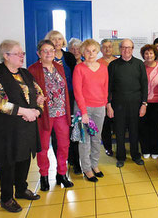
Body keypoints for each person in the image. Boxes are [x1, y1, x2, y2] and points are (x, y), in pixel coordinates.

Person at [0, 40, 42, 212]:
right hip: (6, 129)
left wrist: (38, 110)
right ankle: (6, 198)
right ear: (6, 56)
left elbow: (39, 93)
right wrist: (25, 111)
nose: (22, 57)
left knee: (24, 158)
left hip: (26, 127)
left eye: (23, 53)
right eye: (18, 54)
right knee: (8, 161)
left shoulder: (25, 73)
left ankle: (21, 189)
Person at [28, 40, 74, 191]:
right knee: (42, 147)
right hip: (44, 115)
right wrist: (36, 99)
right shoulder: (33, 70)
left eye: (51, 50)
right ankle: (44, 176)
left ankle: (61, 174)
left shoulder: (59, 67)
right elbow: (27, 92)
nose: (49, 53)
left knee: (64, 145)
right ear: (39, 53)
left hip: (61, 113)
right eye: (45, 50)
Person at [107, 39, 148, 168]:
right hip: (118, 105)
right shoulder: (113, 65)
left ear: (132, 48)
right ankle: (120, 156)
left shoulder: (139, 64)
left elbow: (144, 85)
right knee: (119, 132)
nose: (126, 50)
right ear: (120, 49)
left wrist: (144, 104)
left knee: (135, 131)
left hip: (136, 105)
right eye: (124, 48)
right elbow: (108, 87)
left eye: (129, 47)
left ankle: (136, 155)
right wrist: (108, 104)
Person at [73, 39, 108, 182]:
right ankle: (87, 168)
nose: (91, 53)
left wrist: (104, 104)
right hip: (84, 109)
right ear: (82, 53)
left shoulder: (103, 68)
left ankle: (94, 165)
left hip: (99, 107)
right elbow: (77, 92)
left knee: (96, 138)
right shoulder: (79, 68)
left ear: (98, 51)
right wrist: (83, 112)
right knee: (84, 140)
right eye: (87, 51)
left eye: (94, 50)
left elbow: (105, 88)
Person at [45, 30, 80, 174]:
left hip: (70, 97)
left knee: (72, 128)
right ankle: (61, 163)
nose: (57, 42)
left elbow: (76, 77)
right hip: (54, 100)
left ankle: (74, 160)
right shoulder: (46, 58)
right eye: (53, 40)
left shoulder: (69, 57)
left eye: (59, 39)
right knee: (56, 133)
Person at [139, 44, 158, 159]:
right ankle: (145, 149)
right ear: (143, 55)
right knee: (143, 127)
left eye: (151, 53)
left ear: (155, 54)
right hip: (142, 103)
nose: (149, 55)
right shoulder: (139, 66)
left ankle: (155, 150)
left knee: (156, 127)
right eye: (146, 53)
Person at [97, 39, 117, 157]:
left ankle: (120, 146)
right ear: (101, 49)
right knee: (105, 125)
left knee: (118, 124)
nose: (107, 49)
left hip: (118, 97)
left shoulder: (118, 61)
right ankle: (108, 147)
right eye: (104, 47)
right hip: (103, 97)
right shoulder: (98, 63)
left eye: (109, 47)